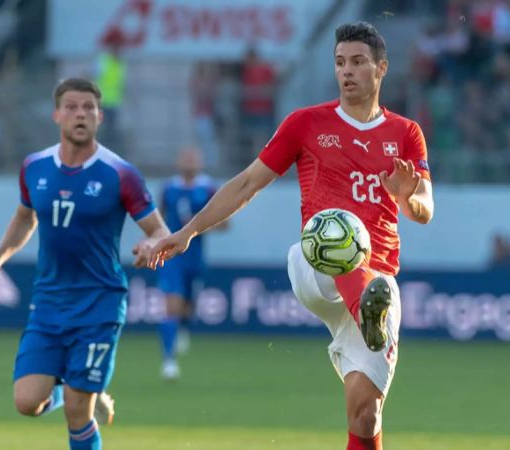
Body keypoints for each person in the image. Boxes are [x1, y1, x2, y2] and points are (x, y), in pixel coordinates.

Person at [150, 22, 434, 450]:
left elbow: (425, 210)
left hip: (381, 279)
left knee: (365, 413)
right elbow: (247, 184)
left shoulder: (406, 134)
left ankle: (367, 309)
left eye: (358, 62)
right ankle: (364, 302)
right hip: (314, 265)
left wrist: (405, 198)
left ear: (381, 69)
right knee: (338, 239)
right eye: (340, 63)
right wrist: (189, 231)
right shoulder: (306, 124)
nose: (347, 71)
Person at [0, 77, 169, 450]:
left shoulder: (119, 173)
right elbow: (24, 217)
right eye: (72, 107)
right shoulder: (34, 167)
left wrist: (150, 243)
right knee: (27, 402)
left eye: (88, 108)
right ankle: (68, 390)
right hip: (49, 302)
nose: (80, 114)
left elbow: (160, 229)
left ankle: (80, 395)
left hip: (99, 303)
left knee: (79, 413)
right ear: (57, 115)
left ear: (99, 117)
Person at [156, 147, 223, 381]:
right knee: (172, 306)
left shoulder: (207, 188)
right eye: (185, 157)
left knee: (188, 307)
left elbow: (224, 222)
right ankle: (168, 360)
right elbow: (159, 219)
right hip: (172, 257)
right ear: (178, 162)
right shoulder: (169, 188)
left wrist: (196, 229)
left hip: (195, 257)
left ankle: (183, 328)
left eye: (193, 158)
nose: (189, 162)